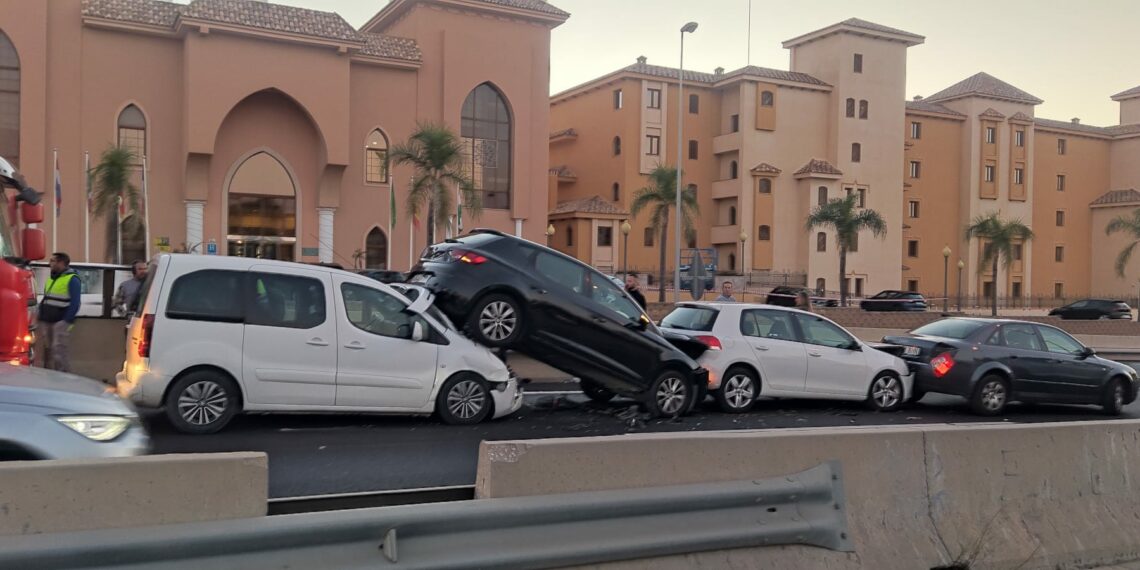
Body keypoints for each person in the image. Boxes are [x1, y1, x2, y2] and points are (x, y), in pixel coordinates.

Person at [38, 252, 81, 372]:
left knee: (59, 350)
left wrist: (66, 321)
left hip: (60, 321)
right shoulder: (52, 278)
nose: (49, 263)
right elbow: (47, 297)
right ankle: (50, 374)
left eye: (52, 261)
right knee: (49, 349)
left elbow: (75, 302)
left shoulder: (72, 279)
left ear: (61, 263)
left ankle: (63, 375)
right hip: (47, 319)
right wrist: (40, 314)